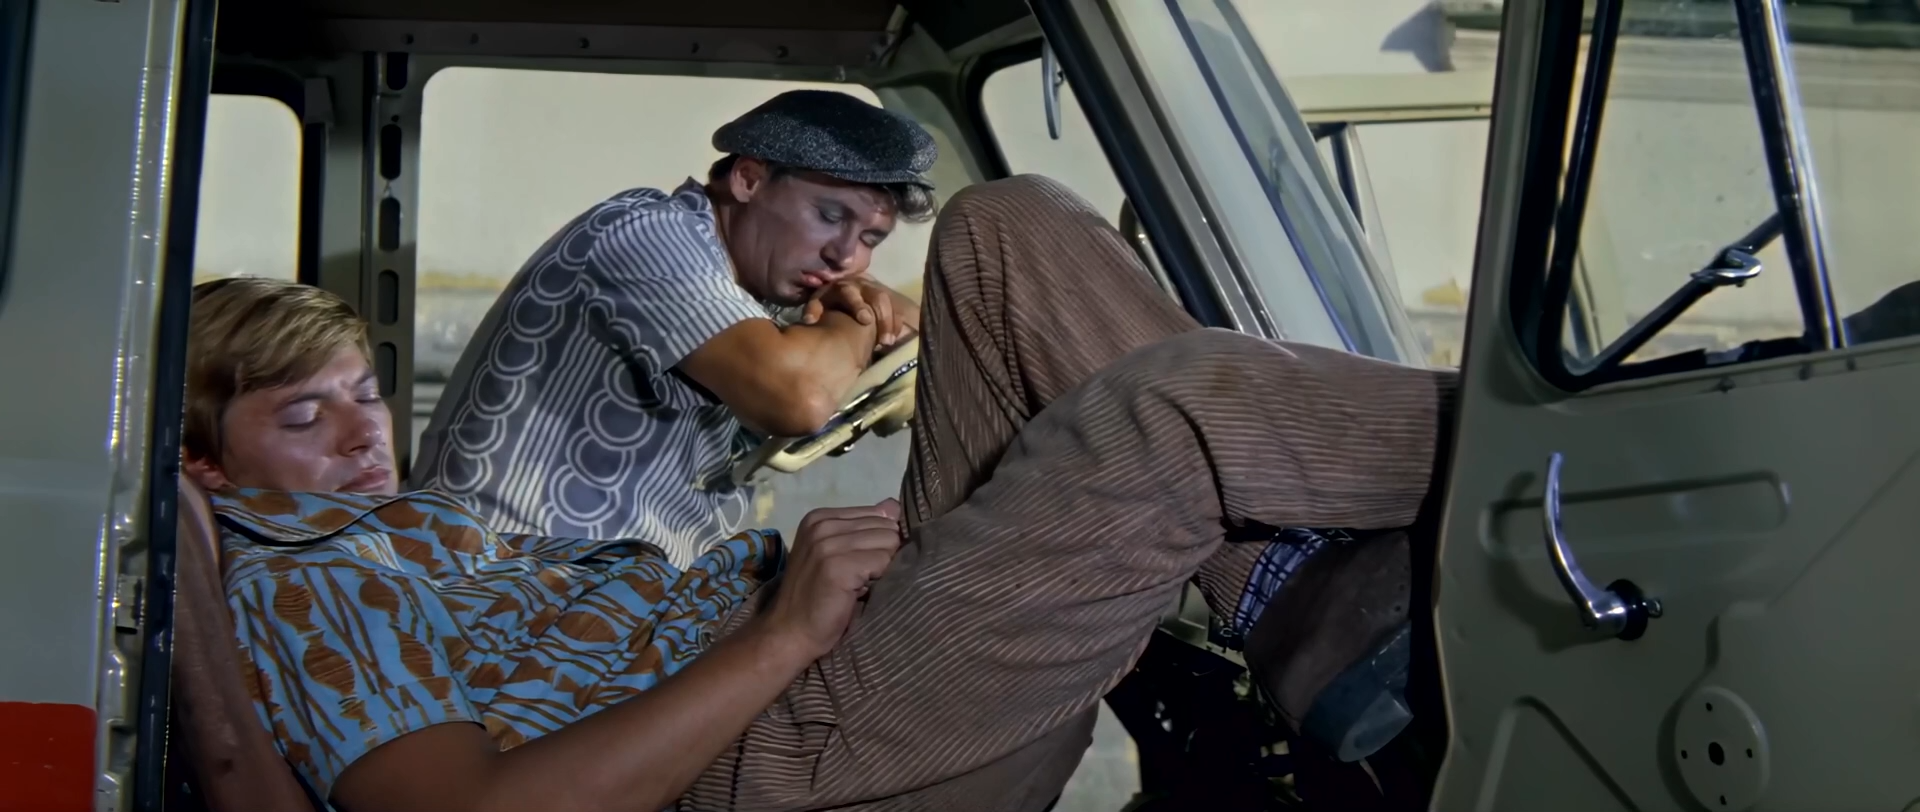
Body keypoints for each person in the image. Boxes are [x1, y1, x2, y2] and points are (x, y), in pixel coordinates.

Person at [186, 175, 1458, 812]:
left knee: (1005, 234)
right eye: (303, 415)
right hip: (786, 748)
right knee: (1168, 415)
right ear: (204, 465)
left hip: (830, 651)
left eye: (365, 393)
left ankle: (1289, 596)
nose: (363, 432)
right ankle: (1530, 469)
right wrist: (784, 631)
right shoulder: (306, 577)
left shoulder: (427, 532)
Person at [411, 89, 936, 568]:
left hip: (612, 588)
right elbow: (799, 399)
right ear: (749, 179)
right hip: (501, 585)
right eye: (829, 216)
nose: (846, 256)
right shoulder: (650, 233)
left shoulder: (765, 288)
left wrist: (868, 305)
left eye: (870, 239)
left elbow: (925, 340)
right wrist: (857, 314)